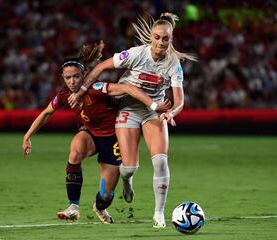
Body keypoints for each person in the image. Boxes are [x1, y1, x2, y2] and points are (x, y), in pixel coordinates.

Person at [68, 13, 196, 228]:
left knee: (160, 161)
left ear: (171, 39)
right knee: (128, 168)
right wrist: (81, 90)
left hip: (154, 112)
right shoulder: (136, 54)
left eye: (166, 39)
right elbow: (101, 68)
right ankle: (127, 181)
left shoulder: (174, 64)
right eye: (157, 37)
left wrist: (171, 113)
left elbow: (180, 100)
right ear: (151, 37)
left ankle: (159, 213)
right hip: (128, 108)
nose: (161, 42)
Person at [22, 41, 169, 224]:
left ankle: (100, 207)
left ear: (84, 75)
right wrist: (27, 136)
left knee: (106, 194)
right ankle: (73, 207)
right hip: (91, 134)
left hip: (113, 139)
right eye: (68, 78)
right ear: (62, 77)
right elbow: (46, 113)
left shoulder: (96, 89)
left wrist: (153, 105)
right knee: (75, 150)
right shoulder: (64, 95)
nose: (72, 81)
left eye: (76, 77)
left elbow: (127, 88)